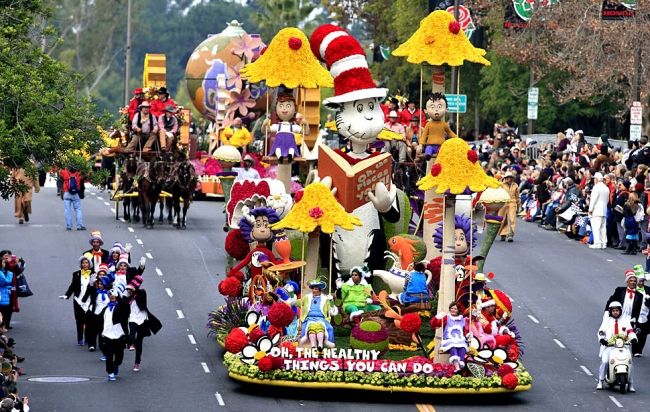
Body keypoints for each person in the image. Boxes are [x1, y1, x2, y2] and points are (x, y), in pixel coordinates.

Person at [596, 301, 637, 391]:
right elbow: (601, 331)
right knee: (605, 361)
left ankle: (631, 383)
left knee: (630, 362)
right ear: (610, 311)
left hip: (623, 346)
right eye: (613, 310)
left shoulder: (625, 320)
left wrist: (633, 338)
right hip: (610, 346)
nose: (615, 312)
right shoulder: (607, 321)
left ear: (620, 311)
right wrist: (602, 339)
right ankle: (601, 380)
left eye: (617, 310)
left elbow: (630, 331)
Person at [125, 276, 162, 372]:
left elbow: (142, 304)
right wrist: (128, 294)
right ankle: (131, 344)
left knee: (139, 342)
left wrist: (134, 292)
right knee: (131, 331)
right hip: (132, 317)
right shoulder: (127, 294)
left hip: (142, 318)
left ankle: (137, 362)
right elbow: (124, 303)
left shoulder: (141, 292)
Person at [60, 256, 94, 346]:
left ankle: (87, 338)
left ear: (89, 264)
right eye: (83, 263)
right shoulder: (76, 274)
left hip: (89, 300)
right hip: (78, 299)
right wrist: (66, 295)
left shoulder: (94, 274)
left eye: (86, 263)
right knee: (79, 320)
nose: (85, 264)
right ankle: (80, 338)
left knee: (89, 321)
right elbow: (72, 286)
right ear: (81, 265)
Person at [99, 285, 129, 381]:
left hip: (119, 335)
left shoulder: (121, 307)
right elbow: (100, 321)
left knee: (119, 357)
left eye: (114, 295)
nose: (112, 296)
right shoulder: (105, 309)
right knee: (109, 355)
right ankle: (110, 372)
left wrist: (119, 297)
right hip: (107, 336)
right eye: (110, 295)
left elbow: (126, 306)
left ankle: (116, 364)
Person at [298, 280, 338, 353]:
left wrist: (331, 302)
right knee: (310, 328)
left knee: (326, 328)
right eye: (313, 289)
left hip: (321, 319)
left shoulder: (326, 299)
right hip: (309, 318)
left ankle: (320, 345)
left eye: (316, 289)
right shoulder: (307, 297)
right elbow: (298, 303)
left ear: (320, 290)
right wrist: (291, 296)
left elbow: (332, 311)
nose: (313, 290)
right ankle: (313, 346)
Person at [430, 301, 468, 371]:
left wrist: (467, 335)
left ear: (458, 310)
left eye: (455, 309)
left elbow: (465, 330)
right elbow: (434, 324)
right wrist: (436, 318)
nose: (453, 310)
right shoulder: (446, 318)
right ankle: (456, 366)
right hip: (449, 339)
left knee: (463, 347)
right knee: (453, 346)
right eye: (452, 308)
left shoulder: (462, 319)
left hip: (460, 339)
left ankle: (460, 364)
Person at [419, 93, 457, 160]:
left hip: (441, 145)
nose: (436, 110)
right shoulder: (428, 124)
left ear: (446, 109)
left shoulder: (444, 124)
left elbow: (450, 133)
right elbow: (424, 135)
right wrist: (421, 144)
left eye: (439, 107)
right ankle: (428, 155)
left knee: (442, 151)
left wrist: (457, 138)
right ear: (426, 111)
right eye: (433, 107)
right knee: (428, 149)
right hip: (430, 145)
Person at [59, 165, 85, 231]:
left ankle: (69, 226)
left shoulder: (65, 172)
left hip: (67, 193)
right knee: (78, 209)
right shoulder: (79, 174)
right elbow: (87, 175)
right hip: (76, 194)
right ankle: (79, 226)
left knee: (67, 210)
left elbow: (59, 173)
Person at [589, 172, 610, 249]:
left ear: (597, 179)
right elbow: (607, 200)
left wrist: (590, 209)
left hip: (596, 209)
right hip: (604, 209)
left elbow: (593, 199)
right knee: (603, 227)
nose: (594, 180)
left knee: (596, 227)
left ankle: (597, 243)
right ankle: (604, 243)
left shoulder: (596, 187)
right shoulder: (606, 187)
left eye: (595, 178)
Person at [632, 269, 650, 356]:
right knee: (635, 332)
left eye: (643, 281)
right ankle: (634, 350)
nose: (642, 283)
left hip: (646, 315)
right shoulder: (632, 290)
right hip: (635, 315)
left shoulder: (648, 290)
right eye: (640, 281)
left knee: (644, 333)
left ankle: (639, 350)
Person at [498, 171, 520, 242]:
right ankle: (503, 234)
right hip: (503, 203)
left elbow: (517, 196)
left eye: (510, 177)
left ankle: (510, 235)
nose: (509, 179)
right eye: (508, 177)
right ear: (505, 178)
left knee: (511, 218)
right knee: (502, 219)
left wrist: (519, 205)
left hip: (512, 203)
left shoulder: (515, 185)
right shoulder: (501, 185)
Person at [0, 257, 13, 329]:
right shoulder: (0, 273)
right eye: (3, 262)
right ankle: (2, 328)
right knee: (2, 312)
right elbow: (5, 282)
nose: (4, 264)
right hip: (1, 294)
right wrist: (9, 274)